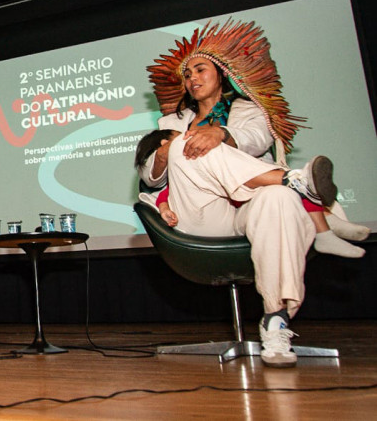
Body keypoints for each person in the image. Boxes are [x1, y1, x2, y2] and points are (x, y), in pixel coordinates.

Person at [139, 20, 368, 368]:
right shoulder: (171, 124)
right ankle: (293, 181)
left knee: (279, 198)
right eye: (186, 75)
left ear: (222, 74)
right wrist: (163, 154)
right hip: (203, 215)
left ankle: (276, 321)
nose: (192, 78)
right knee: (186, 144)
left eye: (200, 70)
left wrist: (222, 134)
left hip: (250, 207)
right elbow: (151, 179)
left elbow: (258, 140)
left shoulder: (250, 110)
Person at [135, 130, 368, 254]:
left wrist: (218, 134)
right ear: (164, 143)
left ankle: (325, 228)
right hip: (211, 218)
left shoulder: (241, 109)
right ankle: (296, 182)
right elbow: (163, 195)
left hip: (245, 201)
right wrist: (164, 209)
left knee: (281, 193)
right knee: (290, 186)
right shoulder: (176, 168)